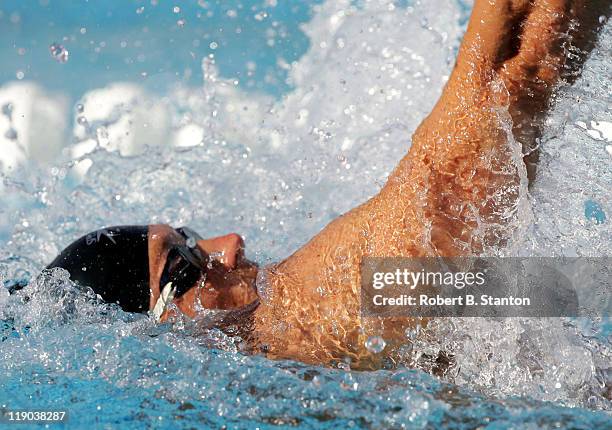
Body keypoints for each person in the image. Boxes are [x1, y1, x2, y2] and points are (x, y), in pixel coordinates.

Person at [47, 0, 609, 368]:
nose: (229, 244)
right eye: (186, 263)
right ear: (164, 328)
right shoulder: (311, 308)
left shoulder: (291, 355)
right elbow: (516, 67)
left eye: (193, 235)